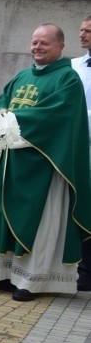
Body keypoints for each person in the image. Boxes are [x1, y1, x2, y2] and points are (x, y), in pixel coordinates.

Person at [0, 23, 91, 302]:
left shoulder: (68, 79)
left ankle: (32, 281)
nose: (37, 47)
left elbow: (56, 115)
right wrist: (1, 111)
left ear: (60, 46)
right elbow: (4, 99)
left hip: (43, 166)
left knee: (38, 223)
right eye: (34, 42)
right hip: (11, 162)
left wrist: (11, 120)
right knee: (3, 216)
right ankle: (0, 274)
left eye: (45, 43)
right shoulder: (22, 75)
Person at [72, 15, 91, 291]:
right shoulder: (73, 65)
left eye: (88, 31)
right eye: (82, 29)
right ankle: (78, 267)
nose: (83, 35)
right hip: (75, 149)